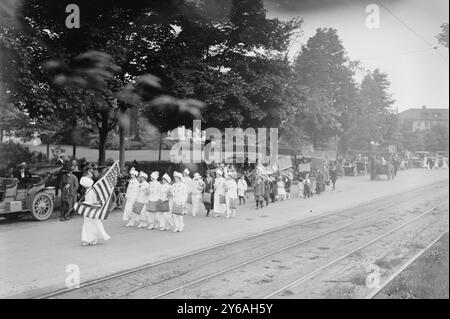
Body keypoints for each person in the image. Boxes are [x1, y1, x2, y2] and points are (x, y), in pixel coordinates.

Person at [80, 176, 110, 246]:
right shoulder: (88, 190)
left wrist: (84, 203)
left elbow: (93, 201)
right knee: (87, 224)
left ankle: (94, 238)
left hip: (92, 209)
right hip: (87, 210)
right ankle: (87, 239)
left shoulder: (92, 191)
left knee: (94, 224)